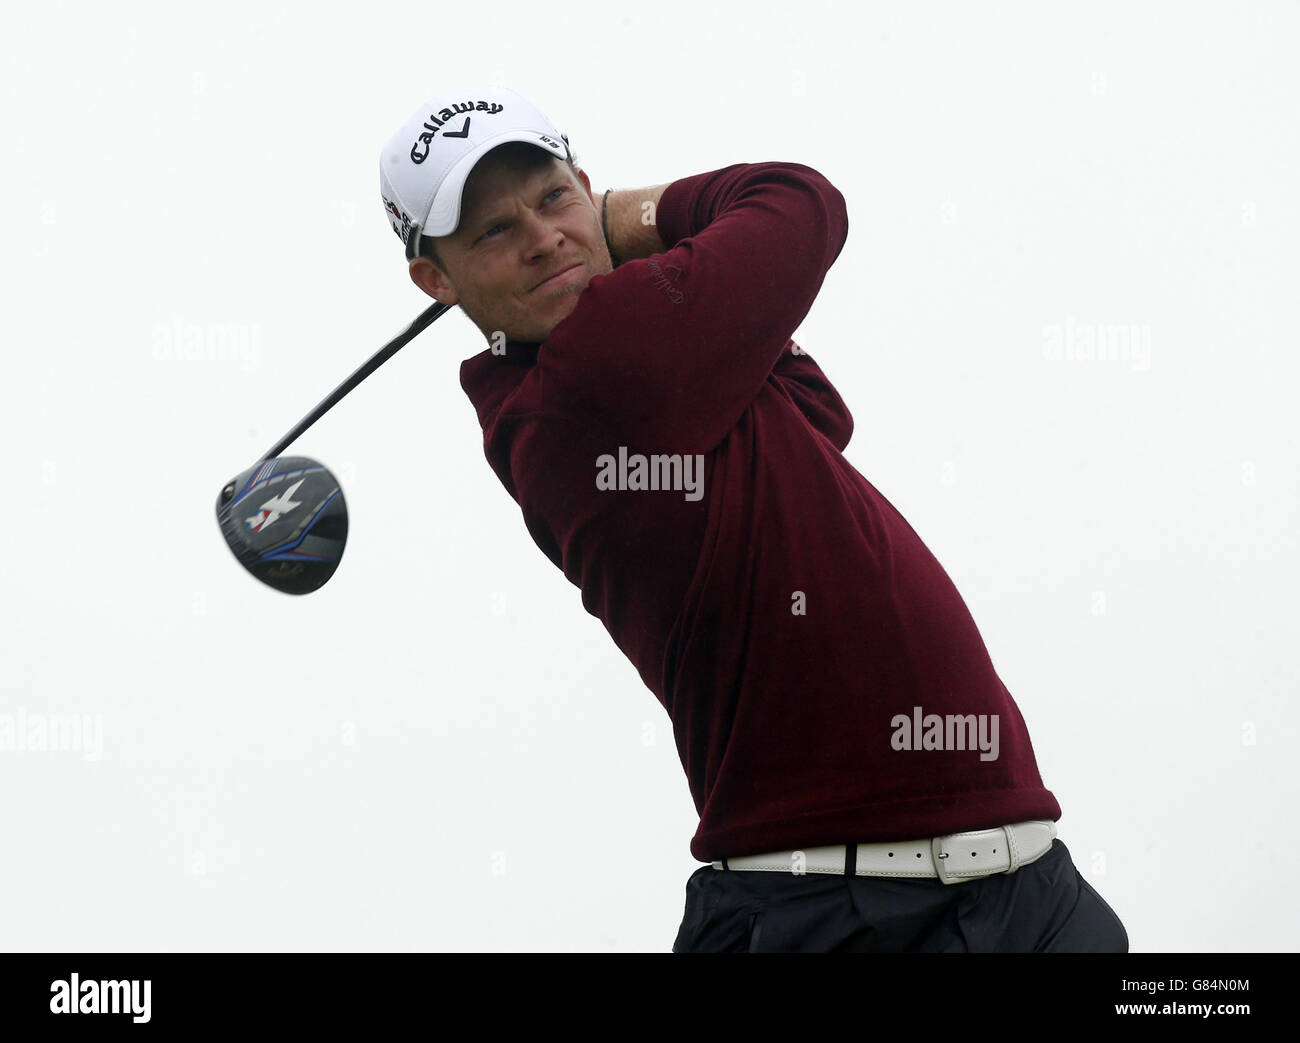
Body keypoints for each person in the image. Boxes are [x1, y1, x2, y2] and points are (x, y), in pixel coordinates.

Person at [378, 84, 1129, 953]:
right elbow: (798, 202)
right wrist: (625, 215)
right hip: (830, 916)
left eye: (553, 198)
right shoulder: (592, 374)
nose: (544, 236)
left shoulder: (655, 360)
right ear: (436, 280)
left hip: (1028, 888)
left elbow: (817, 416)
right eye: (493, 232)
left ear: (578, 183)